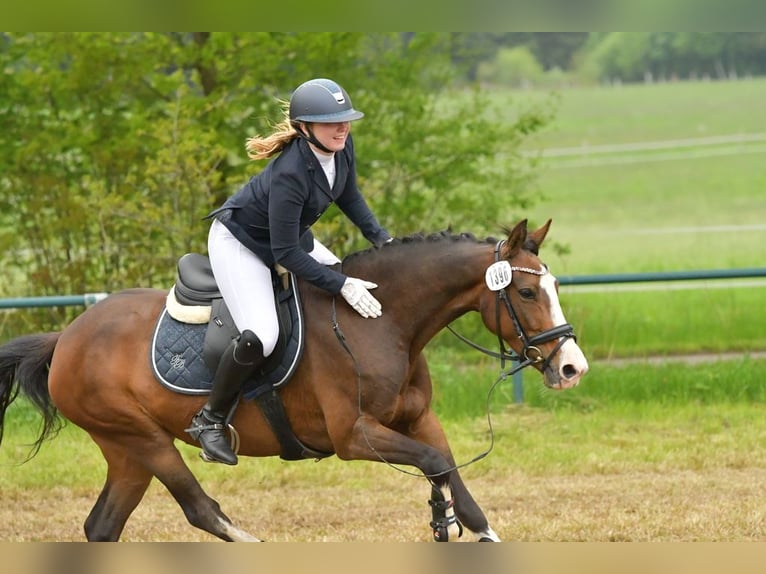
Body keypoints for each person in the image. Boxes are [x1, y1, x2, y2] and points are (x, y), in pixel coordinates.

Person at [186, 78, 392, 465]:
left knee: (338, 301)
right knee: (262, 335)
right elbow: (285, 254)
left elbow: (350, 197)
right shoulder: (290, 172)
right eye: (331, 121)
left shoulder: (342, 150)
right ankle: (209, 420)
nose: (342, 127)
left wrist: (386, 241)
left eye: (345, 119)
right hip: (241, 242)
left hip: (287, 237)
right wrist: (341, 283)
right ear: (304, 128)